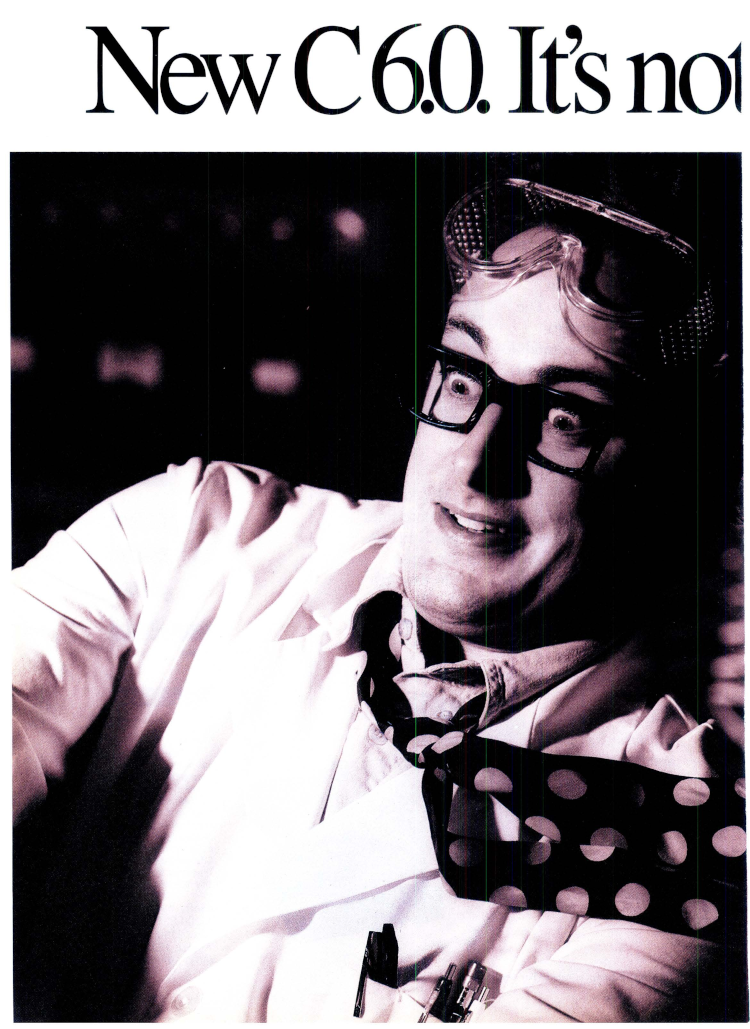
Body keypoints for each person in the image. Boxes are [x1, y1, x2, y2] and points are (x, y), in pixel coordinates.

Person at [12, 173, 745, 1022]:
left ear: (666, 475)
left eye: (566, 417)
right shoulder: (190, 533)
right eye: (463, 375)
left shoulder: (683, 853)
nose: (475, 463)